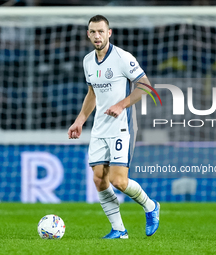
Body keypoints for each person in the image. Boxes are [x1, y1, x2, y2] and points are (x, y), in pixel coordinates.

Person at [68, 15, 159, 239]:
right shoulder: (88, 60)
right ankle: (119, 230)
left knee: (118, 181)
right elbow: (92, 93)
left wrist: (121, 104)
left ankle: (151, 207)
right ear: (88, 34)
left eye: (101, 31)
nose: (97, 36)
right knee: (99, 179)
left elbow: (145, 86)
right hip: (99, 127)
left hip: (122, 125)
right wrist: (80, 120)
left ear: (109, 33)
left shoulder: (122, 58)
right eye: (93, 32)